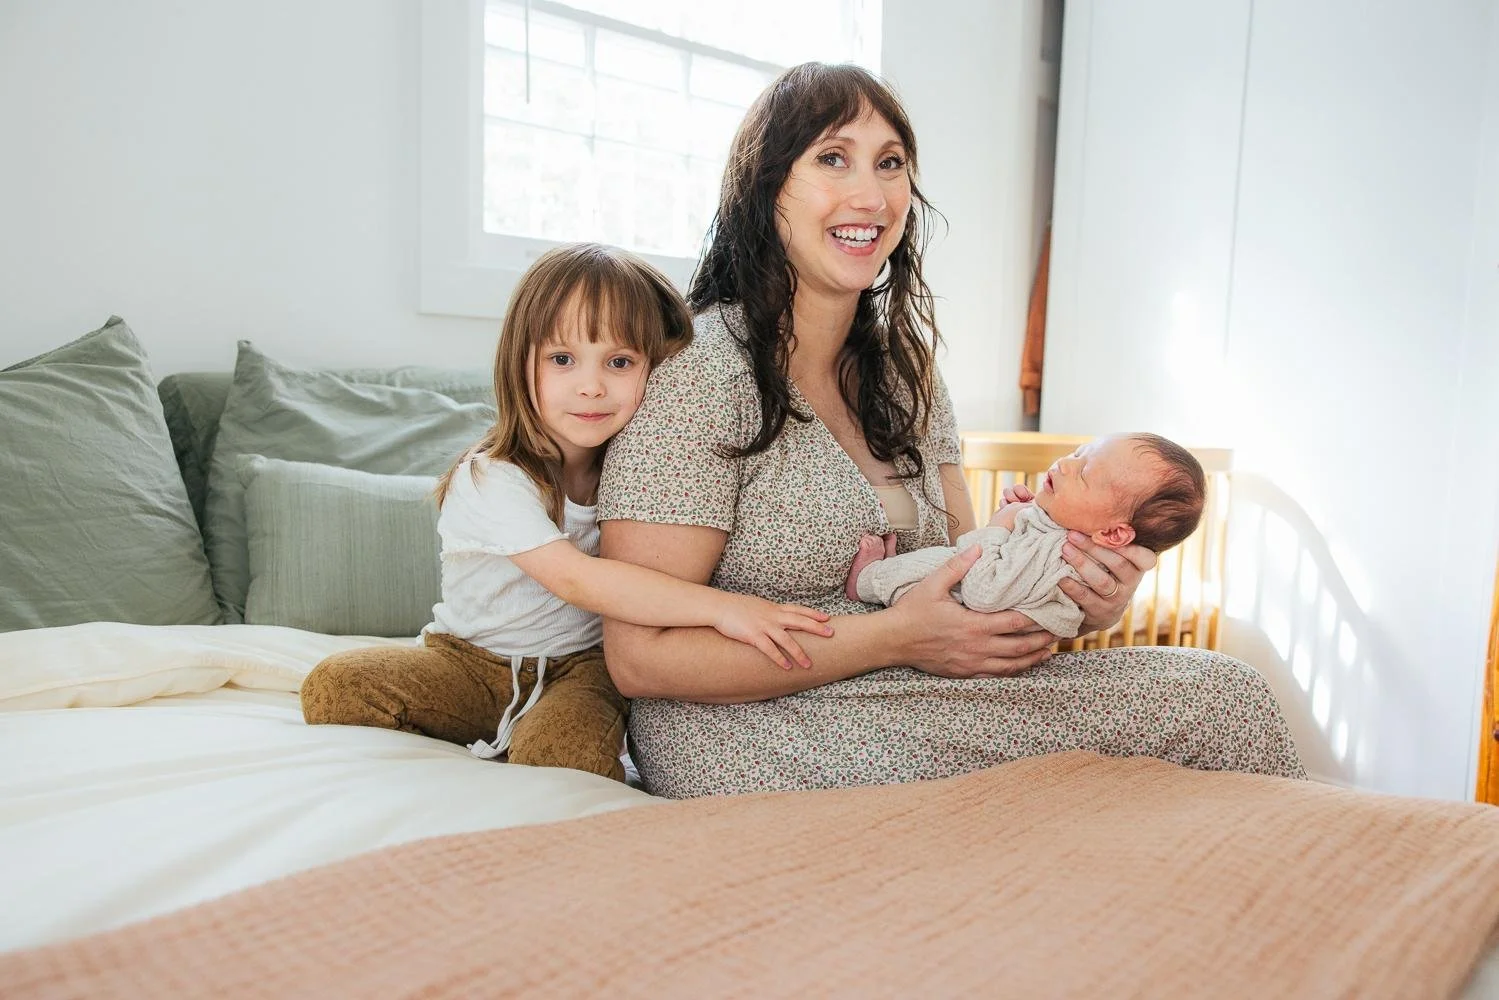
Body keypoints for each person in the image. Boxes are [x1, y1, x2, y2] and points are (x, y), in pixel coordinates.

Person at [594, 63, 1305, 798]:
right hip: (744, 724)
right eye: (832, 158)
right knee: (1212, 703)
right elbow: (641, 660)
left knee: (1221, 691)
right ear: (765, 186)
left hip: (907, 689)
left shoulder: (907, 377)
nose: (871, 195)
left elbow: (966, 575)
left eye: (891, 163)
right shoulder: (698, 371)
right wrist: (895, 638)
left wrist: (1078, 605)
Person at [300, 243, 834, 782]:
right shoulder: (493, 478)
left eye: (620, 362)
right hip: (468, 661)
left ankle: (532, 733)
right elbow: (577, 580)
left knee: (563, 757)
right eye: (562, 359)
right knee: (335, 686)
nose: (591, 386)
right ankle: (479, 730)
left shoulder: (645, 474)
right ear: (520, 361)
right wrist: (722, 609)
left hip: (582, 671)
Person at [847, 433, 1206, 639]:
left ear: (1113, 533)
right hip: (954, 625)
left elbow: (983, 592)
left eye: (1084, 474)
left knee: (937, 562)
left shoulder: (1057, 552)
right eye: (1079, 453)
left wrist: (1000, 527)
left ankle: (866, 581)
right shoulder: (1061, 537)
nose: (1066, 464)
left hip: (964, 619)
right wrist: (1024, 521)